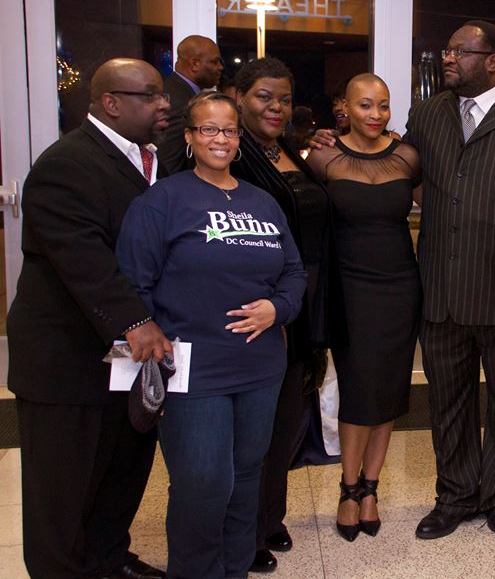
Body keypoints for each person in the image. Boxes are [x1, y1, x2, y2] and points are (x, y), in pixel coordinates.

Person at [117, 91, 307, 578]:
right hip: (192, 369)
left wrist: (278, 308)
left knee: (246, 479)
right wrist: (145, 337)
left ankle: (235, 568)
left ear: (239, 138)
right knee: (202, 483)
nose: (220, 138)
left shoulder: (262, 201)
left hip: (260, 367)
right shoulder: (162, 201)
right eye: (208, 128)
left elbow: (293, 272)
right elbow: (133, 282)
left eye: (229, 130)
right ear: (189, 136)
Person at [8, 58, 171, 579]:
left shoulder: (153, 160)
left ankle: (107, 560)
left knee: (121, 468)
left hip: (124, 362)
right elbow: (81, 257)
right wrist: (135, 320)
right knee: (63, 487)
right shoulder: (66, 163)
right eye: (150, 95)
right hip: (67, 359)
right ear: (111, 103)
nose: (164, 103)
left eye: (162, 93)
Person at [399, 20, 495, 541]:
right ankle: (455, 495)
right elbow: (403, 172)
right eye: (446, 49)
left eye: (459, 51)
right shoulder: (427, 113)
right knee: (447, 400)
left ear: (493, 62)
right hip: (441, 289)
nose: (448, 58)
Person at [231, 56, 342, 573]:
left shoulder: (289, 151)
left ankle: (269, 517)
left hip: (302, 304)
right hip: (258, 309)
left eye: (284, 98)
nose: (275, 107)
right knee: (249, 430)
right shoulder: (231, 155)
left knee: (283, 422)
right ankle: (244, 532)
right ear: (238, 98)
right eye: (263, 97)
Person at [305, 73, 422, 541]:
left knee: (388, 390)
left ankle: (370, 488)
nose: (375, 114)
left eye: (383, 105)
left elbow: (443, 208)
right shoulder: (323, 157)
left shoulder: (408, 156)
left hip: (400, 288)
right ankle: (348, 488)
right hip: (349, 289)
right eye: (365, 105)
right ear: (345, 108)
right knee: (357, 390)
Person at [156, 35, 223, 176]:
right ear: (195, 64)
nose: (220, 67)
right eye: (214, 62)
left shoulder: (180, 93)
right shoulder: (179, 102)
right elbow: (170, 162)